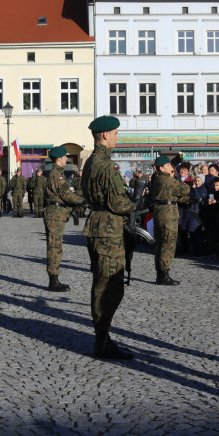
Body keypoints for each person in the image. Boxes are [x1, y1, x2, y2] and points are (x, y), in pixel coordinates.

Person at [81, 115, 137, 359]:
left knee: (102, 282)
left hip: (97, 223)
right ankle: (102, 341)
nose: (117, 137)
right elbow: (117, 201)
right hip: (107, 228)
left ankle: (102, 338)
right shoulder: (106, 164)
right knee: (109, 285)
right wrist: (135, 205)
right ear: (105, 135)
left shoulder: (91, 162)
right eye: (115, 133)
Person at [42, 146, 85, 292]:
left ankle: (54, 279)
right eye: (65, 156)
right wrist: (82, 200)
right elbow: (67, 195)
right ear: (59, 158)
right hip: (55, 213)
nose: (67, 158)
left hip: (57, 213)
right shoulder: (57, 175)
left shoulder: (57, 173)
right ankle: (53, 281)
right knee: (55, 247)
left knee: (56, 246)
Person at [149, 155, 191, 285]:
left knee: (161, 243)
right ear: (161, 168)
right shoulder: (167, 180)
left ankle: (160, 274)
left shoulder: (158, 179)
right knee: (168, 243)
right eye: (167, 166)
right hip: (167, 214)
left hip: (161, 212)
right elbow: (185, 189)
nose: (171, 167)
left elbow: (172, 195)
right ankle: (164, 274)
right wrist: (174, 177)